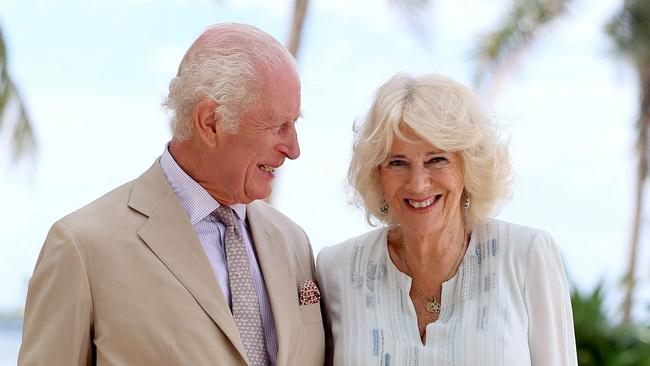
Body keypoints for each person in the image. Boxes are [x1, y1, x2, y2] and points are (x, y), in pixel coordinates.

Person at [18, 23, 324, 366]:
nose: (293, 149)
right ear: (211, 122)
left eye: (295, 122)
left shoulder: (293, 242)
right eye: (278, 125)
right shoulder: (82, 247)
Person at [316, 73, 577, 365]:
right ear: (377, 173)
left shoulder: (526, 256)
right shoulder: (336, 270)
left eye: (436, 159)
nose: (417, 184)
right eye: (397, 162)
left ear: (469, 166)